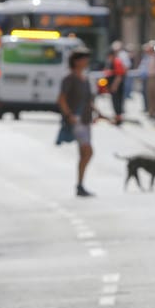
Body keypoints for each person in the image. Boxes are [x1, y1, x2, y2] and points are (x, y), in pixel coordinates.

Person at [58, 47, 97, 197]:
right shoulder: (69, 78)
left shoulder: (86, 78)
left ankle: (80, 184)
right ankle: (80, 184)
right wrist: (69, 115)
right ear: (76, 61)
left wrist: (100, 114)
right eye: (84, 58)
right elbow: (61, 99)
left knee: (83, 154)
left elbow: (89, 101)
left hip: (86, 119)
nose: (86, 61)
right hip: (77, 121)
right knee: (88, 151)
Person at [104, 47, 127, 125]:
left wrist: (114, 86)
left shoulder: (117, 62)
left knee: (117, 102)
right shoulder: (111, 62)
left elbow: (119, 75)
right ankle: (117, 117)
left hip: (117, 86)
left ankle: (118, 118)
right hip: (113, 86)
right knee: (115, 102)